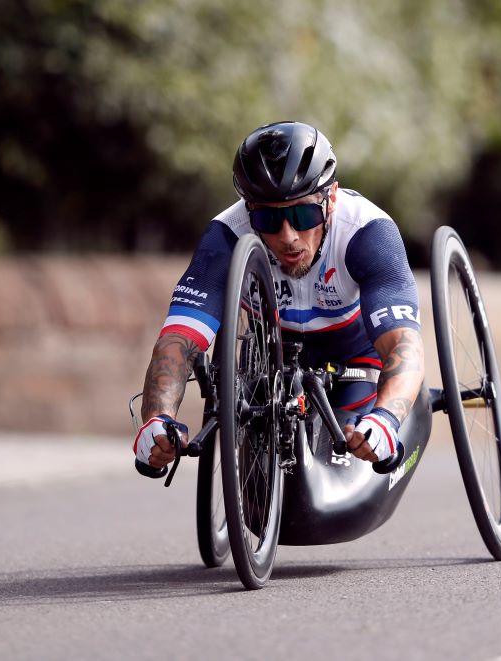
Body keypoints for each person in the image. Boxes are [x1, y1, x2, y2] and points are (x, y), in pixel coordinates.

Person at [134, 121, 425, 471]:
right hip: (269, 363)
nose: (288, 236)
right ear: (248, 210)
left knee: (355, 457)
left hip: (355, 362)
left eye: (303, 214)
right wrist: (157, 418)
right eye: (269, 219)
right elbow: (177, 341)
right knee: (258, 504)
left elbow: (403, 344)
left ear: (330, 198)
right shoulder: (226, 236)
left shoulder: (367, 232)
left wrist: (386, 418)